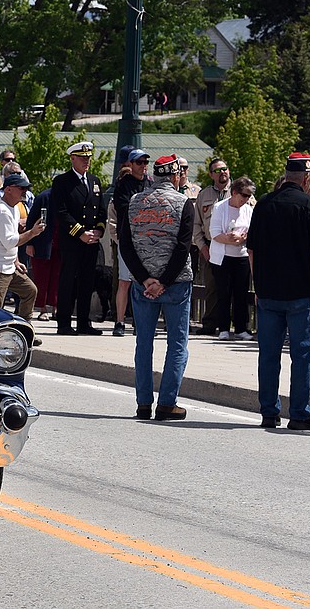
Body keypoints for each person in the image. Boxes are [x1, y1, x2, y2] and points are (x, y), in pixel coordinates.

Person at [246, 152, 310, 431]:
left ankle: (269, 412)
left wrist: (257, 283)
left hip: (269, 292)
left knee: (269, 355)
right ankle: (298, 413)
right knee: (304, 354)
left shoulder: (263, 204)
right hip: (302, 293)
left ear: (285, 175)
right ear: (307, 177)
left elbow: (251, 251)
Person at [118, 154, 194, 420]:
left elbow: (125, 245)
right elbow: (183, 247)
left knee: (144, 342)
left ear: (153, 176)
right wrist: (165, 281)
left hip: (143, 284)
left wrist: (145, 279)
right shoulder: (184, 203)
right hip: (176, 284)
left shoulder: (135, 202)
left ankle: (143, 402)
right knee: (177, 343)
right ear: (175, 176)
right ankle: (167, 402)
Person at [50, 141, 105, 335]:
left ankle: (84, 322)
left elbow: (101, 211)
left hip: (91, 242)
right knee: (68, 281)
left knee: (87, 282)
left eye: (88, 158)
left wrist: (98, 231)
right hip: (73, 240)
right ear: (72, 158)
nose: (86, 161)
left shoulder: (95, 181)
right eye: (82, 158)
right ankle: (64, 323)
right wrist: (80, 232)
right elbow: (61, 212)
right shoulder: (62, 182)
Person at [0, 173, 43, 319]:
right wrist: (32, 233)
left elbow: (9, 240)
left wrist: (16, 261)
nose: (25, 191)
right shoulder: (2, 211)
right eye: (21, 188)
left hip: (8, 266)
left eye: (26, 188)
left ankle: (22, 330)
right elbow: (10, 242)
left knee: (30, 291)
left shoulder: (13, 208)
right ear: (8, 190)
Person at [208, 176, 256, 341]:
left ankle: (241, 328)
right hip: (223, 257)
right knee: (223, 293)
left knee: (241, 294)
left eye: (249, 196)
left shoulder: (249, 210)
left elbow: (252, 232)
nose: (246, 199)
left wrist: (242, 239)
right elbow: (214, 233)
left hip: (241, 256)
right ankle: (223, 328)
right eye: (244, 195)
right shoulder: (220, 207)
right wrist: (230, 238)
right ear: (234, 192)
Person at [110, 148, 151, 336]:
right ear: (131, 164)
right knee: (124, 282)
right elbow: (124, 208)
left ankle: (140, 321)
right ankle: (119, 321)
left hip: (147, 239)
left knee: (144, 282)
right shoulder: (123, 184)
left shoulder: (151, 184)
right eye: (139, 162)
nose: (143, 166)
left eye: (145, 162)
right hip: (128, 239)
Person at [192, 158, 233, 336]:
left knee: (235, 287)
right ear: (211, 174)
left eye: (224, 169)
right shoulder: (204, 195)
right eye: (217, 170)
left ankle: (237, 325)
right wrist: (203, 247)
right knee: (211, 286)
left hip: (234, 247)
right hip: (211, 246)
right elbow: (196, 225)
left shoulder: (240, 191)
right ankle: (209, 324)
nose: (222, 172)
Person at [24, 186, 58, 320]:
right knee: (41, 277)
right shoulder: (44, 197)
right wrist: (30, 243)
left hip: (60, 243)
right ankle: (42, 308)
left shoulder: (68, 196)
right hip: (43, 242)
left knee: (57, 277)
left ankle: (56, 306)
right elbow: (31, 220)